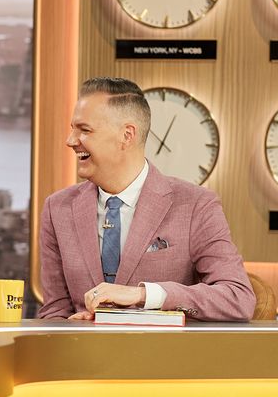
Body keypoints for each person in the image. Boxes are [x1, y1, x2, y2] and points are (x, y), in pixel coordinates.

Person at [38, 77, 256, 321]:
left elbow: (238, 299)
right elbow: (54, 311)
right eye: (73, 129)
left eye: (84, 130)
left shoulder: (196, 205)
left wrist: (144, 295)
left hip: (163, 357)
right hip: (84, 357)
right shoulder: (57, 209)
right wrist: (71, 328)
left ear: (127, 135)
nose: (70, 140)